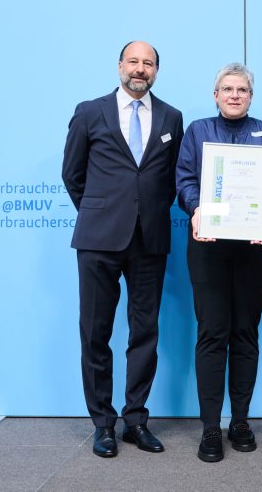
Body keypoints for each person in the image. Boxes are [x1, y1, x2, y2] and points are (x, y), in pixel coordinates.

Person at [62, 41, 184, 458]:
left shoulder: (171, 116)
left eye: (148, 63)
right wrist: (101, 212)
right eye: (133, 61)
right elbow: (72, 174)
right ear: (119, 66)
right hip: (99, 239)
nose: (140, 69)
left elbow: (171, 178)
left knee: (144, 331)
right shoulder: (89, 111)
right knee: (95, 332)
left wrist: (143, 212)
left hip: (149, 239)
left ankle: (135, 419)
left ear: (156, 71)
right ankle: (103, 423)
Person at [176, 63, 262, 463]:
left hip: (256, 246)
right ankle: (210, 426)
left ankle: (239, 421)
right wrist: (196, 210)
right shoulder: (197, 131)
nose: (234, 95)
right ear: (215, 95)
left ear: (251, 96)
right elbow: (185, 181)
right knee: (212, 332)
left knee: (244, 332)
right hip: (208, 246)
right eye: (227, 88)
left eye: (242, 89)